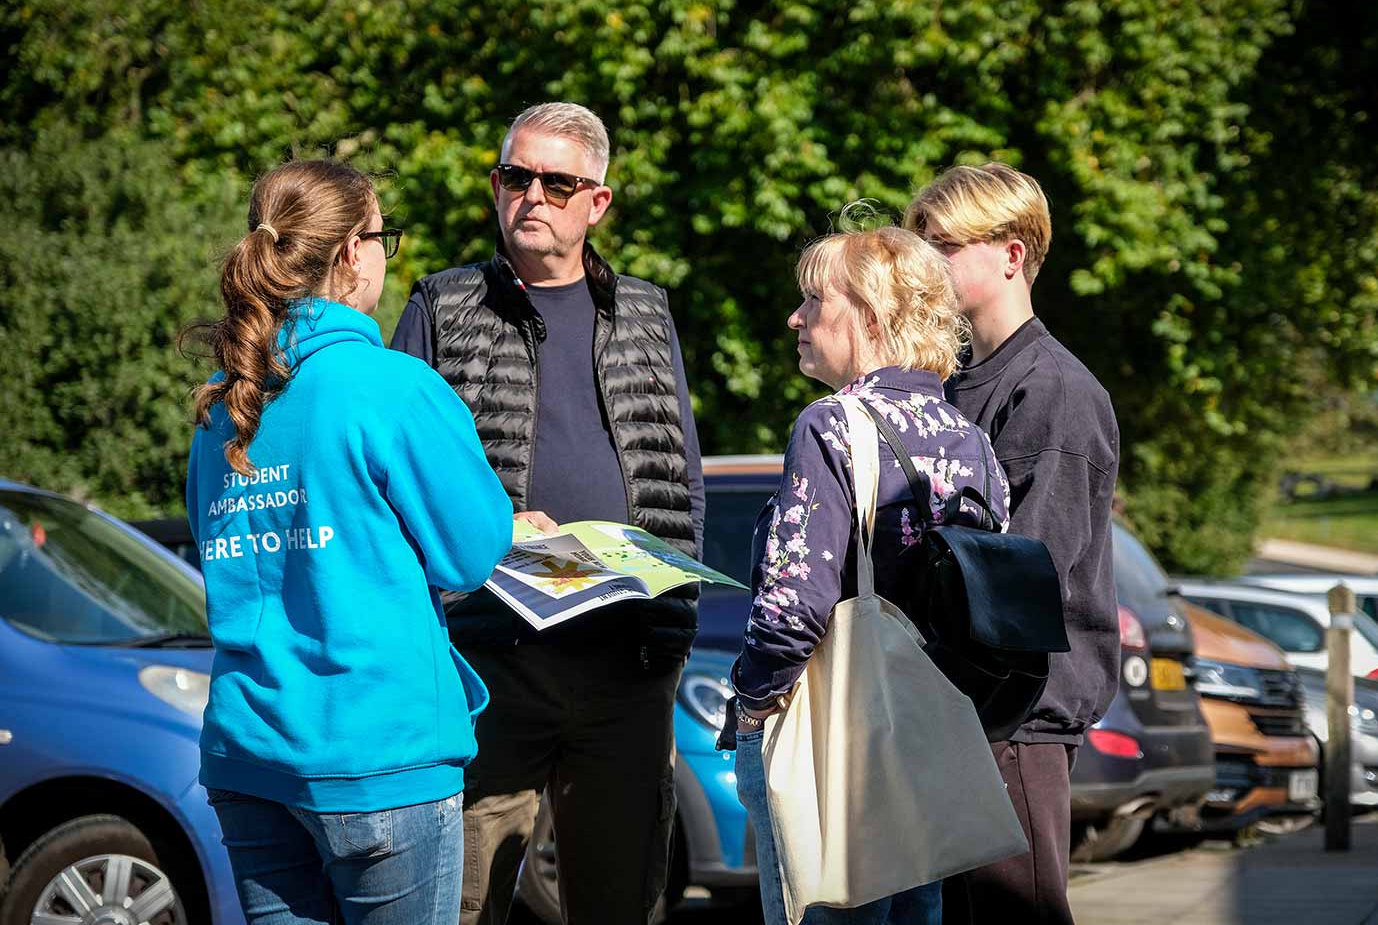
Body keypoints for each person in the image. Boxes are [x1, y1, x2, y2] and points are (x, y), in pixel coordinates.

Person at [390, 102, 704, 925]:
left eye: (556, 181)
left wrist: (674, 629)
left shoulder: (645, 310)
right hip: (491, 658)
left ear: (596, 202)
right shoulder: (442, 305)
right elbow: (395, 482)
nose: (531, 194)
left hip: (625, 663)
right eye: (514, 176)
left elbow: (680, 476)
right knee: (459, 903)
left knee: (620, 902)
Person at [183, 159, 514, 925]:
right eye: (381, 236)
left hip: (250, 750)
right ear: (351, 255)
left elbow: (229, 544)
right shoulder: (393, 386)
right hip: (377, 752)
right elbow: (470, 552)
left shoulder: (222, 402)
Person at [725, 225, 1011, 925]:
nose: (796, 317)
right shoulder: (968, 437)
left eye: (815, 299)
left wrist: (751, 704)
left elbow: (794, 608)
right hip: (930, 730)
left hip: (836, 742)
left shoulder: (831, 425)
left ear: (872, 315)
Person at [904, 163, 1121, 925]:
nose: (924, 265)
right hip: (956, 706)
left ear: (1012, 254)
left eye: (944, 246)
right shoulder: (946, 382)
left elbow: (1023, 578)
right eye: (918, 244)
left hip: (1016, 712)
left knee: (1016, 914)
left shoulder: (1052, 389)